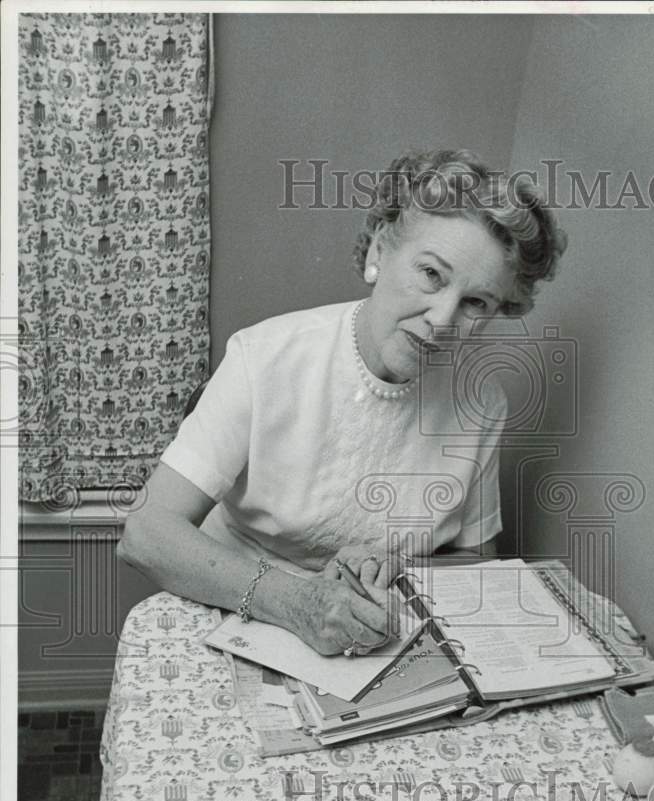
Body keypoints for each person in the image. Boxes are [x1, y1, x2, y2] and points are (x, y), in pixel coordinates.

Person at [118, 149, 566, 657]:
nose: (442, 320)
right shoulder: (265, 356)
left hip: (372, 634)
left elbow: (475, 561)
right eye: (432, 275)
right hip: (236, 606)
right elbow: (146, 533)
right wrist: (298, 603)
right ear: (379, 252)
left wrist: (399, 565)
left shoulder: (481, 404)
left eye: (475, 302)